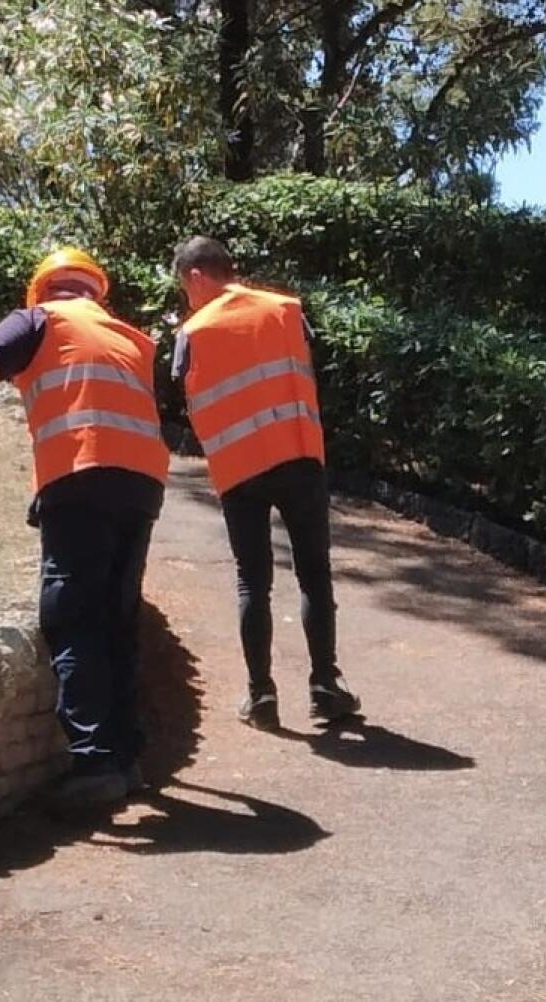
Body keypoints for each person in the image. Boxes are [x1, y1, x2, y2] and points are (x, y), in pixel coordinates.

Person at [0, 248, 170, 806]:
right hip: (144, 485)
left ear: (41, 290)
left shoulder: (40, 319)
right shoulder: (130, 336)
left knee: (73, 616)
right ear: (95, 291)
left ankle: (92, 763)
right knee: (117, 616)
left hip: (80, 477)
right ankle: (124, 756)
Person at [171, 236, 360, 731]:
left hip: (239, 469)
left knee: (252, 580)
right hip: (298, 454)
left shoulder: (193, 330)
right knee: (314, 574)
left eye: (184, 288)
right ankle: (325, 685)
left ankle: (261, 696)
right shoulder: (285, 309)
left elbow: (181, 397)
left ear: (196, 276)